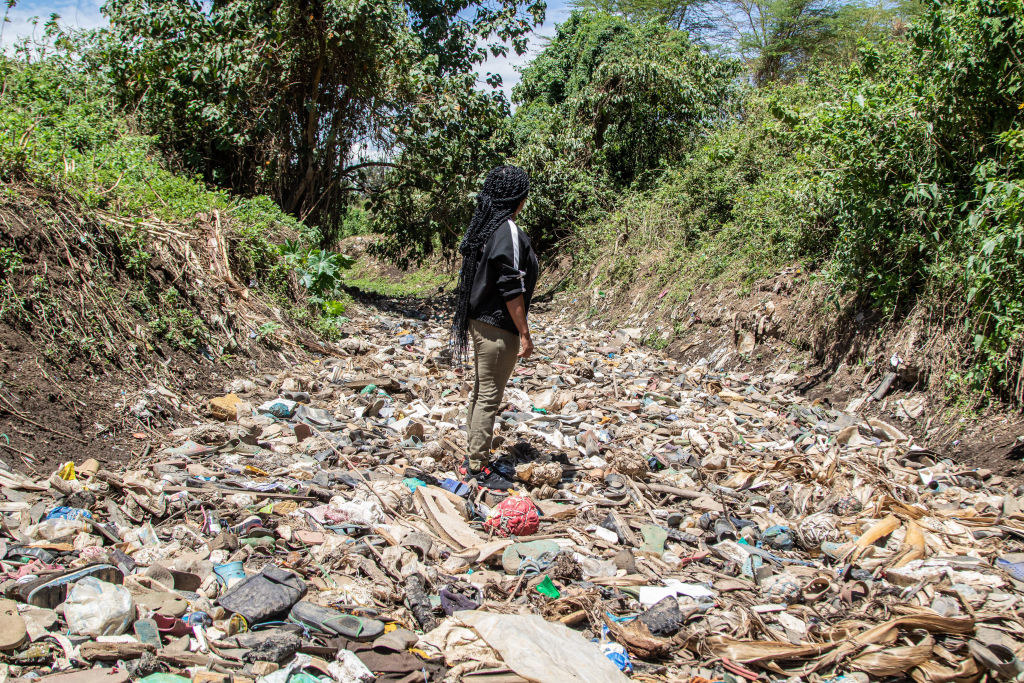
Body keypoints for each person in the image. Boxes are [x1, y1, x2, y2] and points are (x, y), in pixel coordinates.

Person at [450, 165, 539, 485]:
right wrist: (525, 333)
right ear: (519, 198)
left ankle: (471, 457)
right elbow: (511, 287)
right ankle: (476, 465)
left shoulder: (486, 229)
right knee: (488, 394)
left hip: (479, 323)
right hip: (498, 327)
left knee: (480, 391)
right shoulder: (508, 231)